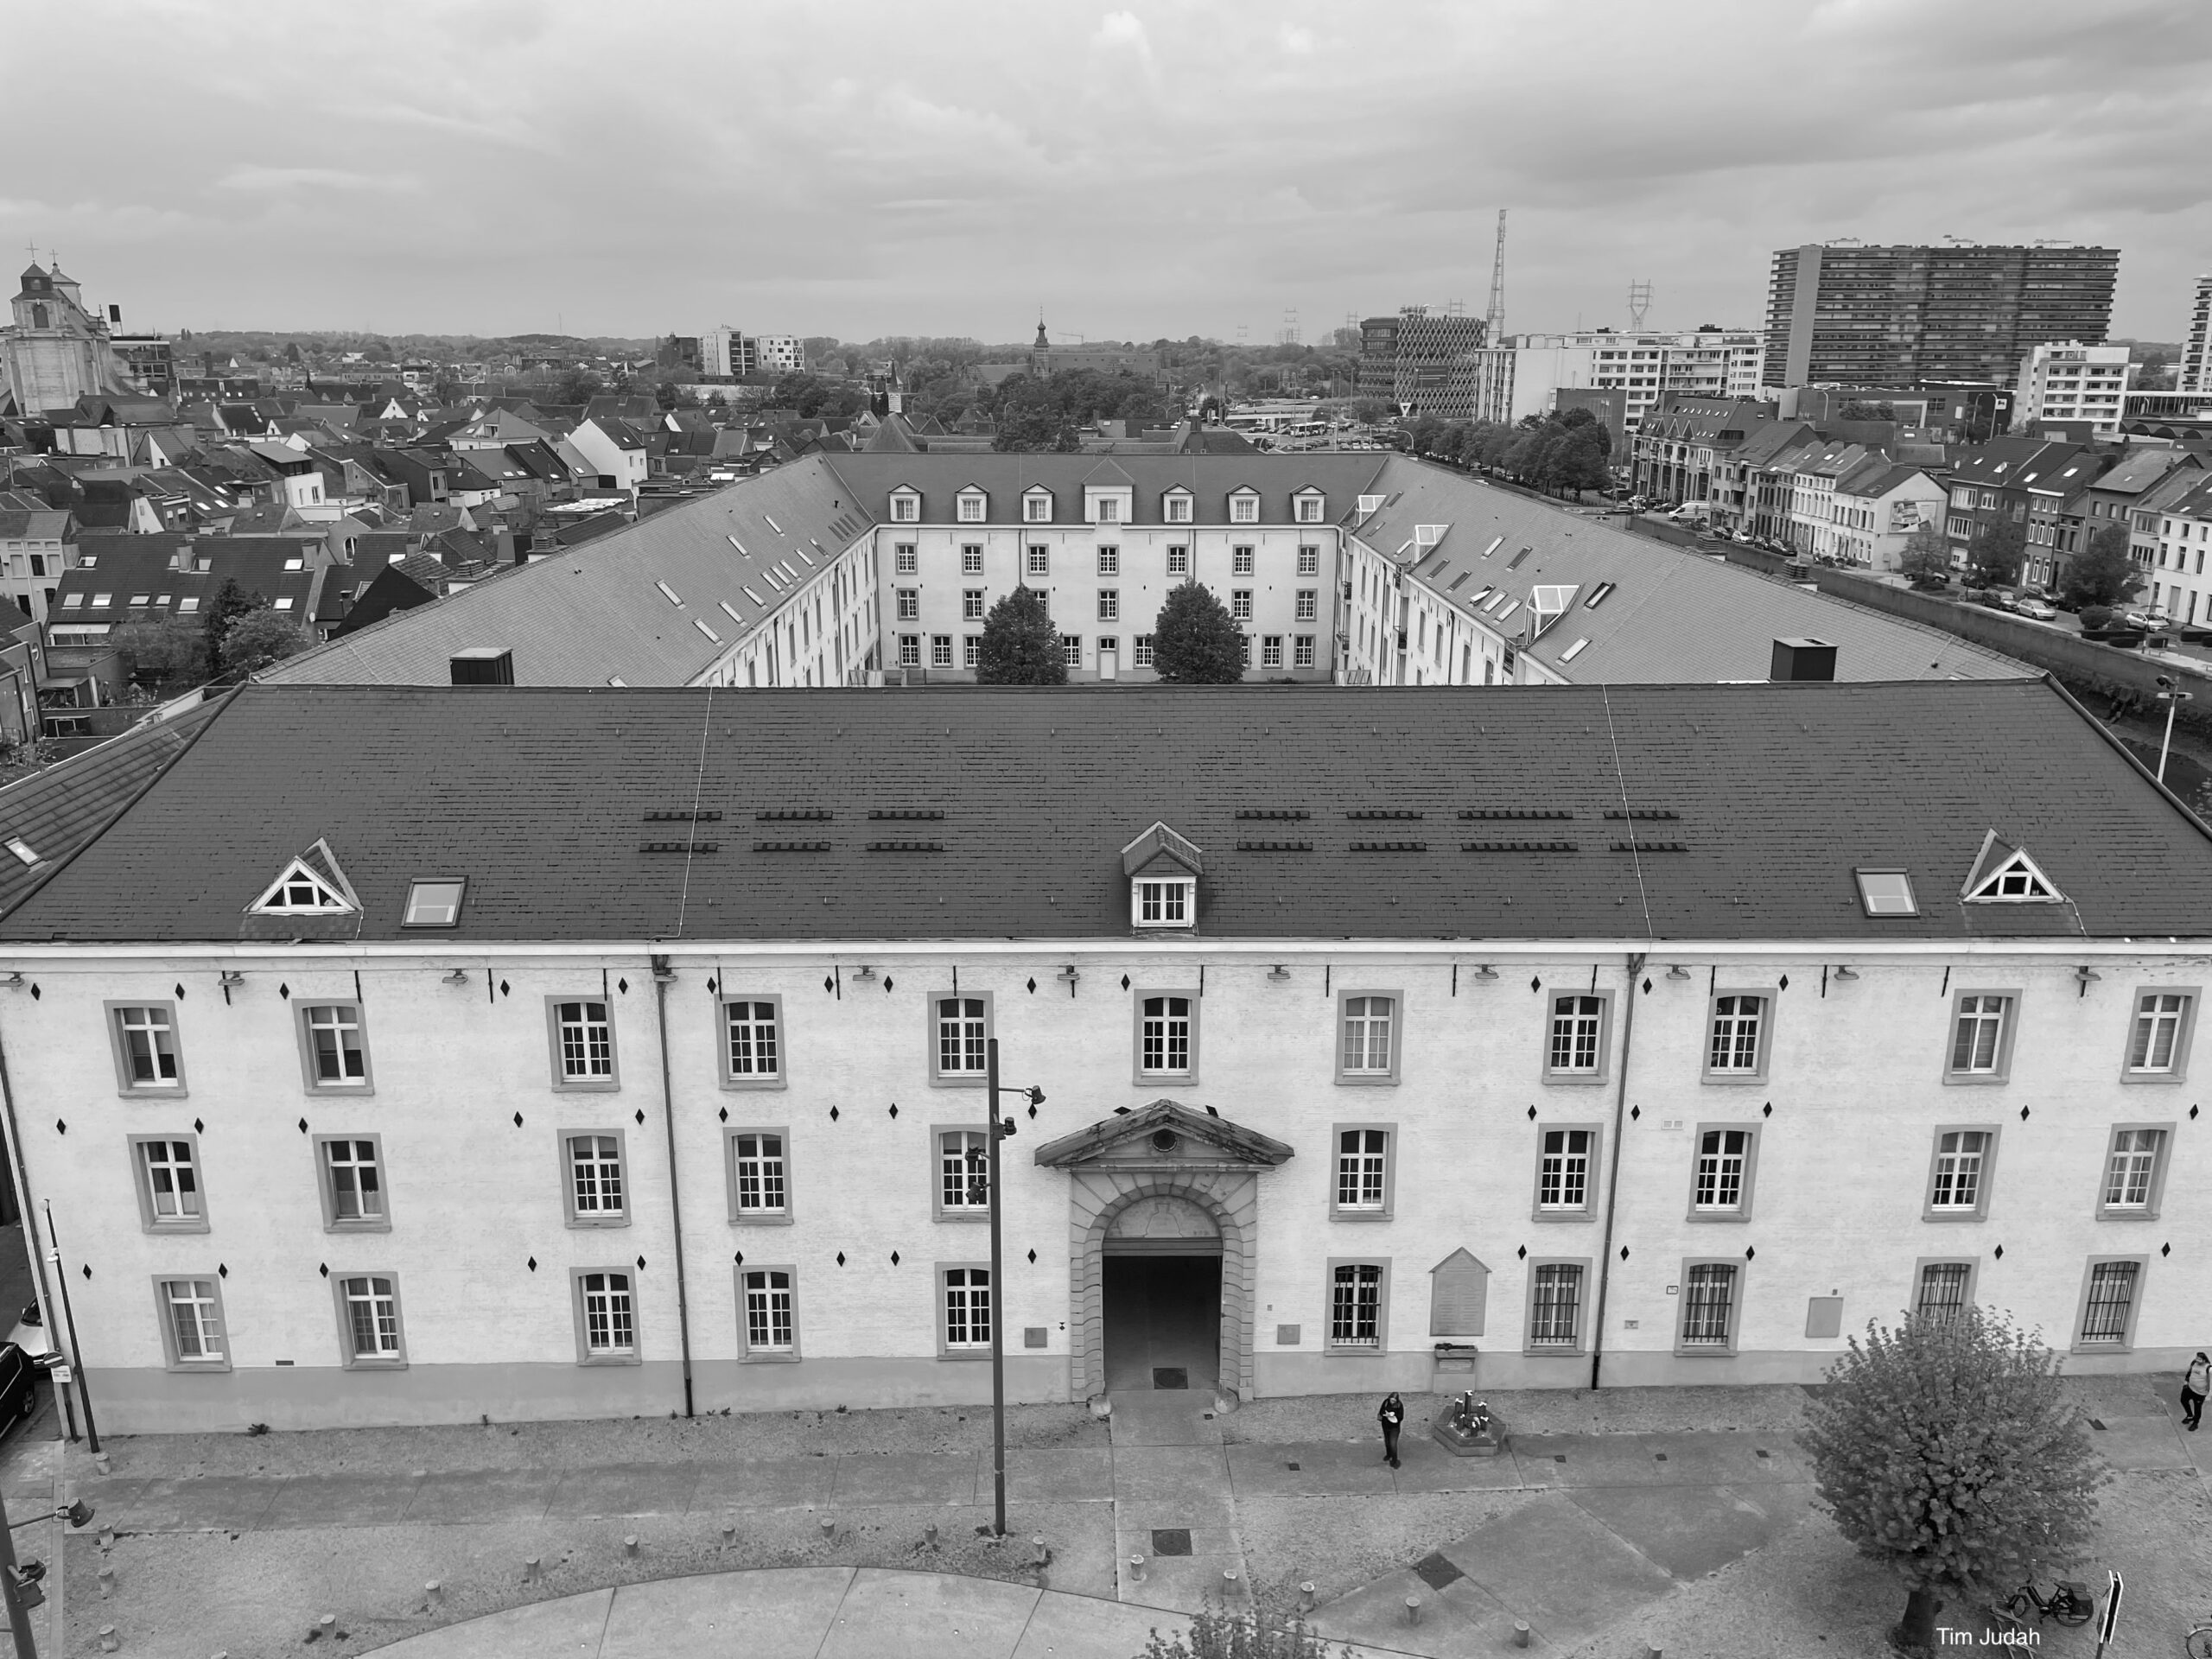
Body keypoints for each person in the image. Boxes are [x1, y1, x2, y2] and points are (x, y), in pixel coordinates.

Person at [2183, 1351, 2209, 1432]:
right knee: (2183, 1400)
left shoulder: (2209, 1368)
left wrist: (2209, 1394)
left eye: (2199, 1359)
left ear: (2204, 1360)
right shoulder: (2194, 1363)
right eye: (2197, 1358)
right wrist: (2186, 1381)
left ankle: (2195, 1423)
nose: (2197, 1360)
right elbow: (2190, 1372)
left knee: (2197, 1408)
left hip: (2200, 1393)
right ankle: (2190, 1416)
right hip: (2190, 1388)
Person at [1378, 1391, 1404, 1468]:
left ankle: (1395, 1461)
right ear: (1389, 1398)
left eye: (1394, 1401)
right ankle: (1388, 1455)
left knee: (1393, 1444)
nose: (1392, 1402)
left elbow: (1401, 1417)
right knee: (1387, 1442)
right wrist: (1385, 1414)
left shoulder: (1399, 1405)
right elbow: (1381, 1411)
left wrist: (1393, 1415)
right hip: (1385, 1426)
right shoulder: (1386, 1402)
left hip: (1394, 1427)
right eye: (1392, 1400)